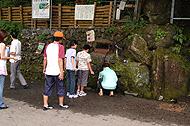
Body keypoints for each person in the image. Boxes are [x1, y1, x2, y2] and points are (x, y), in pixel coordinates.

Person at [43, 31, 68, 110]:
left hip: (48, 71)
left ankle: (45, 105)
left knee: (47, 87)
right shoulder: (61, 47)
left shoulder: (47, 46)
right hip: (57, 71)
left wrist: (44, 68)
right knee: (60, 87)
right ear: (60, 39)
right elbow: (60, 60)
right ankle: (61, 104)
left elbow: (45, 59)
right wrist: (62, 72)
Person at [0, 29, 15, 109]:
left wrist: (6, 47)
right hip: (1, 67)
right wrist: (11, 57)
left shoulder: (2, 45)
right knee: (0, 87)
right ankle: (1, 104)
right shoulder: (2, 44)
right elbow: (2, 57)